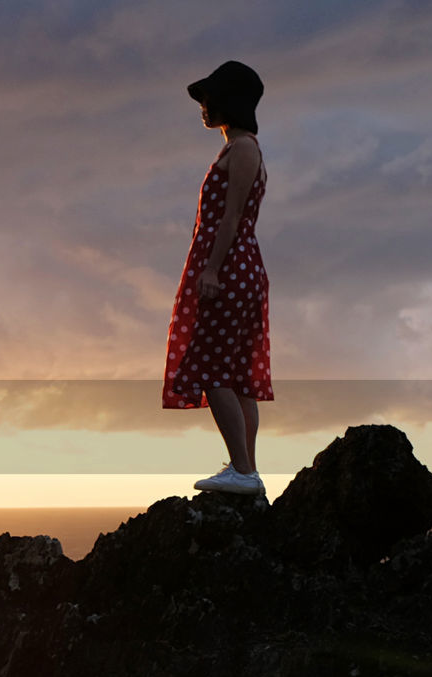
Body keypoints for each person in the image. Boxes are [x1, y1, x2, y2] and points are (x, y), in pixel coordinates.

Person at [161, 60, 272, 496]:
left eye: (208, 98)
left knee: (212, 366)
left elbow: (232, 217)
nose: (202, 107)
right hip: (236, 265)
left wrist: (211, 269)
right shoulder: (237, 148)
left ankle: (243, 471)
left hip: (229, 266)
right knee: (235, 371)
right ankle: (247, 472)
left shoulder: (243, 149)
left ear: (230, 101)